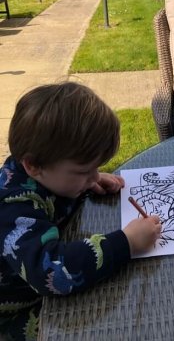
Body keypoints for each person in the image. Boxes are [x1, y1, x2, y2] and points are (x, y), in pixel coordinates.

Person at [0, 82, 161, 340]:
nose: (94, 176)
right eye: (84, 171)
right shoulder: (14, 208)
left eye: (96, 168)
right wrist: (126, 242)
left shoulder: (45, 174)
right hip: (16, 313)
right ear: (33, 165)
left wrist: (88, 183)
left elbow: (55, 192)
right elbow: (51, 271)